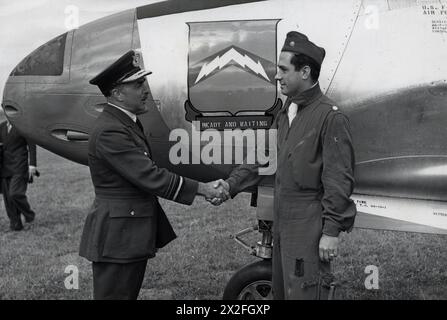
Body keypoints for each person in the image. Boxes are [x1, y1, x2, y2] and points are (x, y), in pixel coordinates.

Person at [214, 31, 357, 299]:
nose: (276, 76)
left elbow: (339, 179)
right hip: (283, 220)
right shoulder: (286, 111)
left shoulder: (330, 117)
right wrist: (230, 185)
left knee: (306, 291)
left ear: (305, 72)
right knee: (283, 292)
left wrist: (331, 232)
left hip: (308, 223)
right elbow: (264, 158)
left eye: (283, 69)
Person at [79, 50, 228, 300]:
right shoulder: (110, 131)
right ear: (117, 93)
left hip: (126, 232)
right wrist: (204, 189)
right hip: (119, 236)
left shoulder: (124, 122)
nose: (145, 89)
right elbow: (150, 176)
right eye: (137, 84)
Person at [0, 119, 38, 231]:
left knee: (15, 193)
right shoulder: (1, 126)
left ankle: (30, 216)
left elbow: (32, 145)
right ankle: (15, 224)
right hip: (4, 167)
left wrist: (32, 165)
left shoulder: (23, 125)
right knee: (8, 198)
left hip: (20, 165)